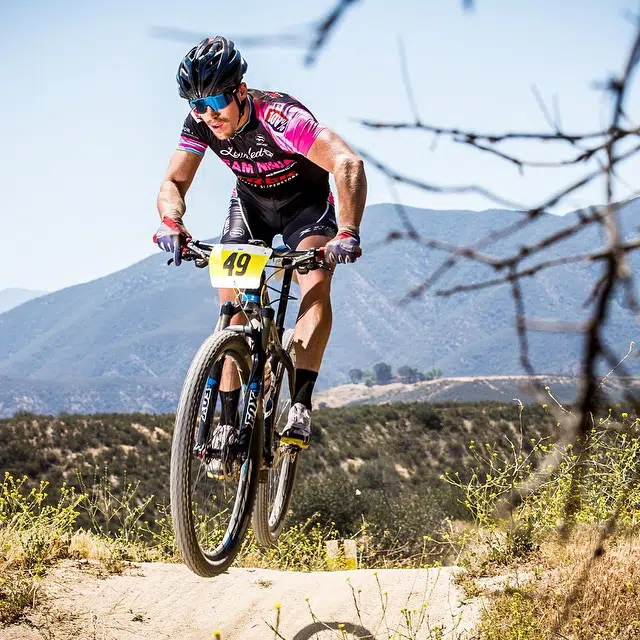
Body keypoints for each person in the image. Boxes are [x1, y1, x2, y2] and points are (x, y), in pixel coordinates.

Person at [154, 36, 367, 448]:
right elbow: (174, 182)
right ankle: (228, 418)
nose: (209, 115)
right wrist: (171, 221)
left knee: (315, 282)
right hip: (251, 206)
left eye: (216, 102)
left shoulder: (280, 118)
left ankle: (300, 404)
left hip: (305, 207)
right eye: (197, 105)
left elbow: (347, 163)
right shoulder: (200, 123)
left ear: (240, 91)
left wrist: (347, 231)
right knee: (231, 305)